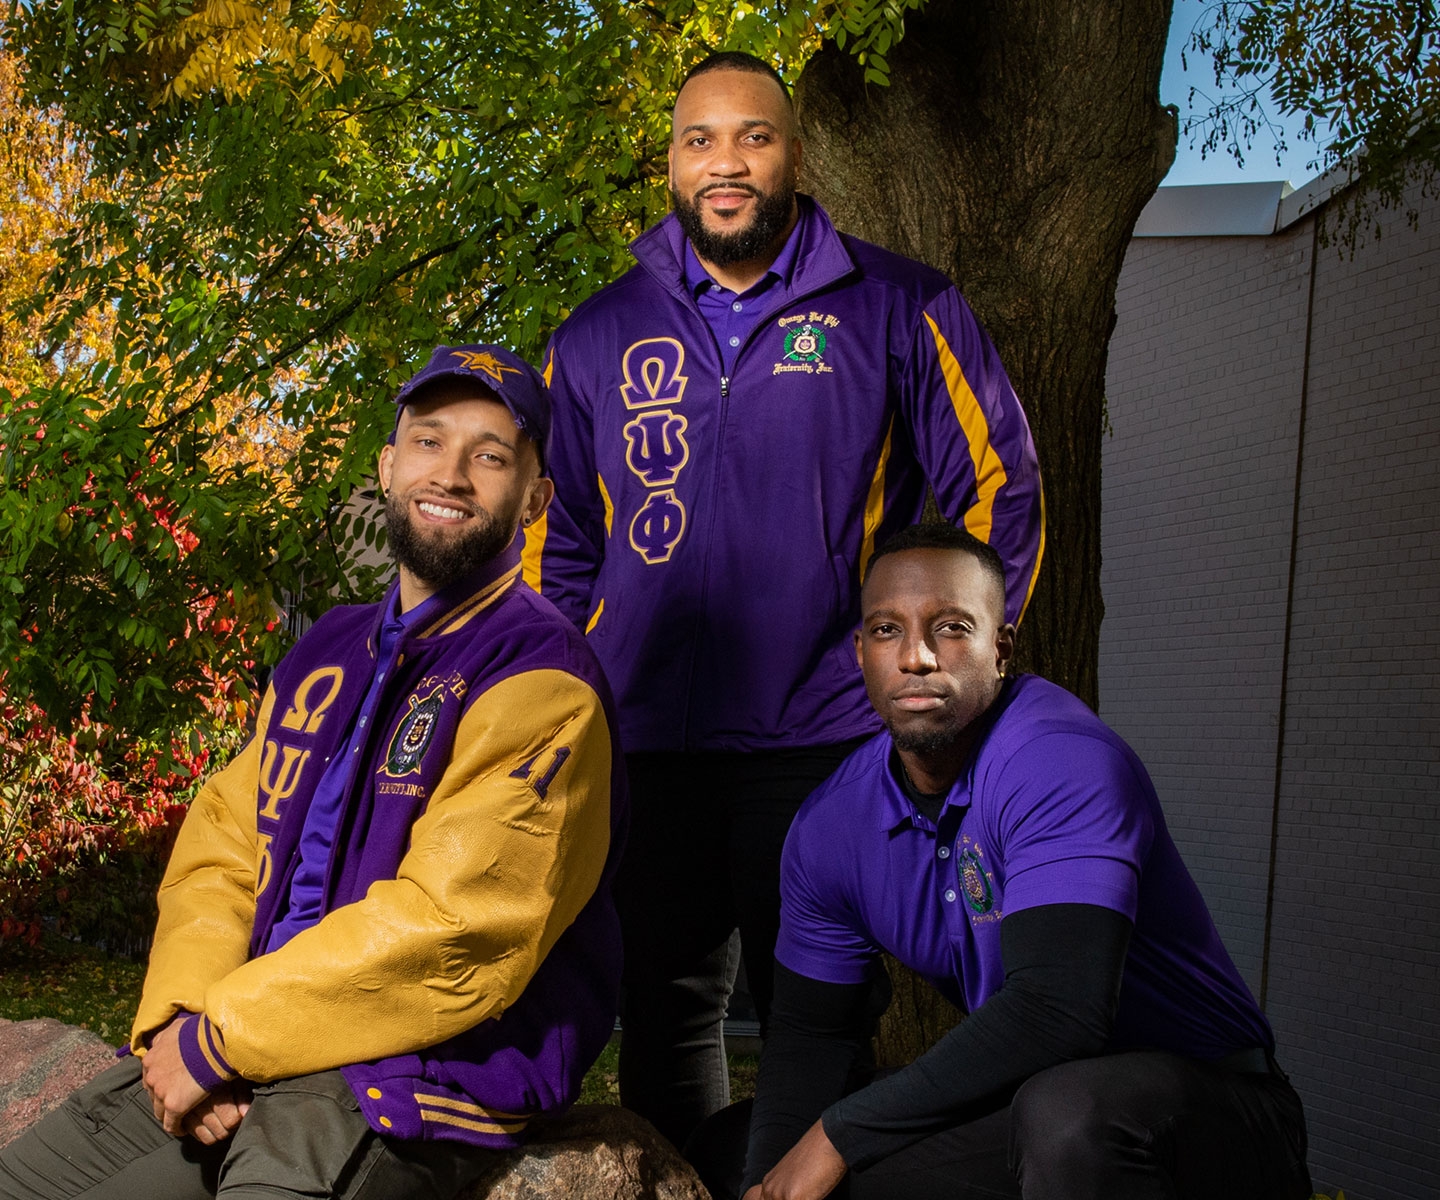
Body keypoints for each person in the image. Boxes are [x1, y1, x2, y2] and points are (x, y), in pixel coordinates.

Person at [525, 50, 1044, 1148]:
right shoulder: (594, 333)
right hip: (645, 746)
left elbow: (998, 484)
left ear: (796, 156)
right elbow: (553, 538)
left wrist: (941, 675)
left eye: (753, 137)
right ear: (668, 162)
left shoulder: (901, 306)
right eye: (700, 139)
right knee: (659, 1018)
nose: (727, 163)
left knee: (817, 1022)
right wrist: (559, 701)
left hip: (819, 740)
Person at [0, 344, 627, 1200]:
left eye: (489, 455)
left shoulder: (542, 675)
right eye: (428, 442)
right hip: (253, 1022)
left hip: (404, 1064)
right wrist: (189, 1012)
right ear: (388, 464)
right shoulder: (329, 645)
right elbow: (226, 837)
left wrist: (225, 1037)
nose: (450, 474)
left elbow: (457, 928)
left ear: (535, 498)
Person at [728, 522, 1311, 1200]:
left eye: (949, 627)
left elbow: (1058, 1010)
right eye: (887, 631)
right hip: (1034, 1100)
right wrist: (769, 1184)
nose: (916, 656)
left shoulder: (1059, 759)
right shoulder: (832, 825)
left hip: (1212, 1112)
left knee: (1067, 1116)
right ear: (860, 653)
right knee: (743, 1148)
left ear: (999, 647)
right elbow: (811, 1036)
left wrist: (837, 1135)